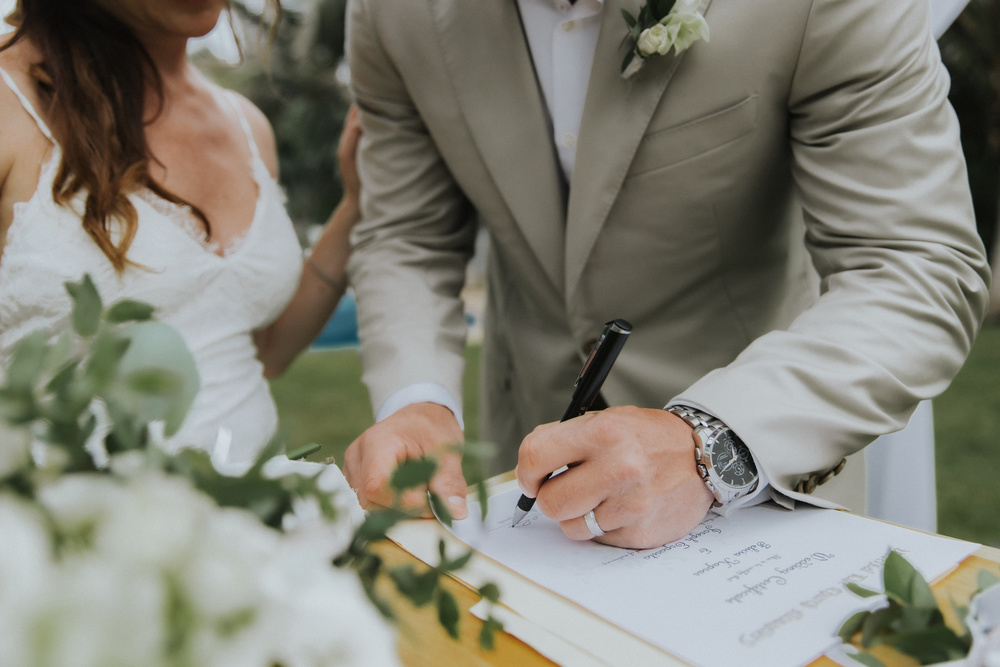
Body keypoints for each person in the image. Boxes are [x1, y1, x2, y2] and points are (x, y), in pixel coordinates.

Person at [342, 0, 991, 549]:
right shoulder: (391, 13)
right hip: (532, 497)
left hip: (766, 487)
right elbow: (407, 233)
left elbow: (915, 263)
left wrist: (716, 443)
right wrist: (417, 399)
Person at [0, 0, 362, 466]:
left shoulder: (246, 124)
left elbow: (259, 349)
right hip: (71, 525)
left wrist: (356, 207)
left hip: (262, 520)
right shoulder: (10, 102)